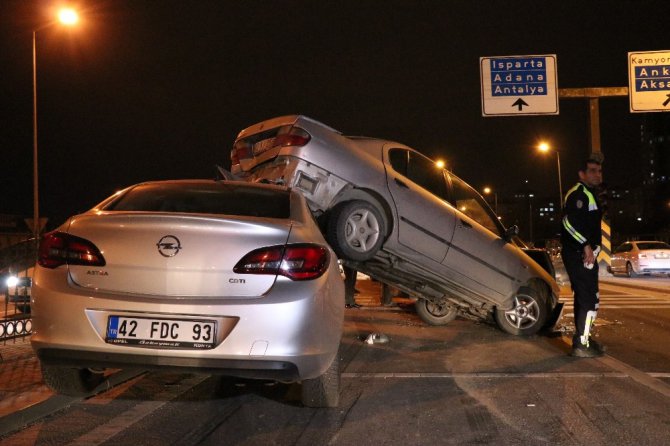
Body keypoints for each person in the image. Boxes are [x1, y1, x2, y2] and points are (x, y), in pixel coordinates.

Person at [561, 156, 606, 358]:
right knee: (588, 299)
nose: (597, 174)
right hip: (579, 255)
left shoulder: (590, 194)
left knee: (588, 298)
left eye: (599, 170)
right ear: (582, 174)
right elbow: (568, 223)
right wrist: (585, 245)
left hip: (586, 255)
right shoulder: (578, 194)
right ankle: (581, 345)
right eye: (592, 171)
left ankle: (584, 338)